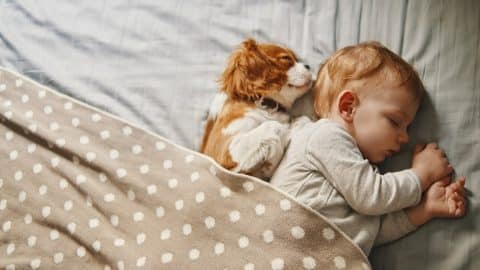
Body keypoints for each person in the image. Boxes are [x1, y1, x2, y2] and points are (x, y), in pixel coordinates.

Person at [270, 41, 466, 255]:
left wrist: (424, 210)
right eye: (395, 121)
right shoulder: (324, 136)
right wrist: (421, 175)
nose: (404, 137)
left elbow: (365, 233)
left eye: (407, 127)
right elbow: (372, 197)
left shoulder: (357, 171)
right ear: (348, 107)